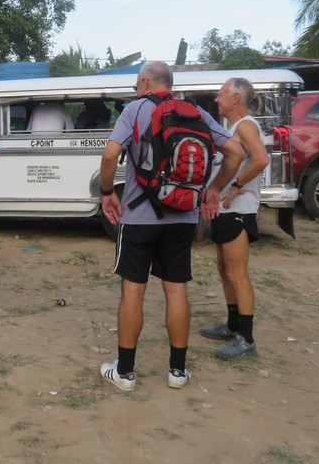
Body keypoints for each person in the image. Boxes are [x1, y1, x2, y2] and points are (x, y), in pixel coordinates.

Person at [97, 61, 244, 392]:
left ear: (145, 82)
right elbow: (235, 152)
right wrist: (214, 189)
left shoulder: (135, 110)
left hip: (139, 217)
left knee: (133, 289)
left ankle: (125, 372)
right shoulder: (196, 113)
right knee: (176, 289)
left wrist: (107, 193)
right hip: (183, 217)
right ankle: (178, 371)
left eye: (137, 84)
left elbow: (109, 156)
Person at [200, 78, 269, 358]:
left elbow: (261, 158)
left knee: (237, 273)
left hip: (238, 209)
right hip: (224, 210)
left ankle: (246, 339)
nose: (217, 100)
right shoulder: (233, 128)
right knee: (224, 269)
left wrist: (237, 186)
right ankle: (232, 326)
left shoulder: (246, 126)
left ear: (236, 98)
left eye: (220, 95)